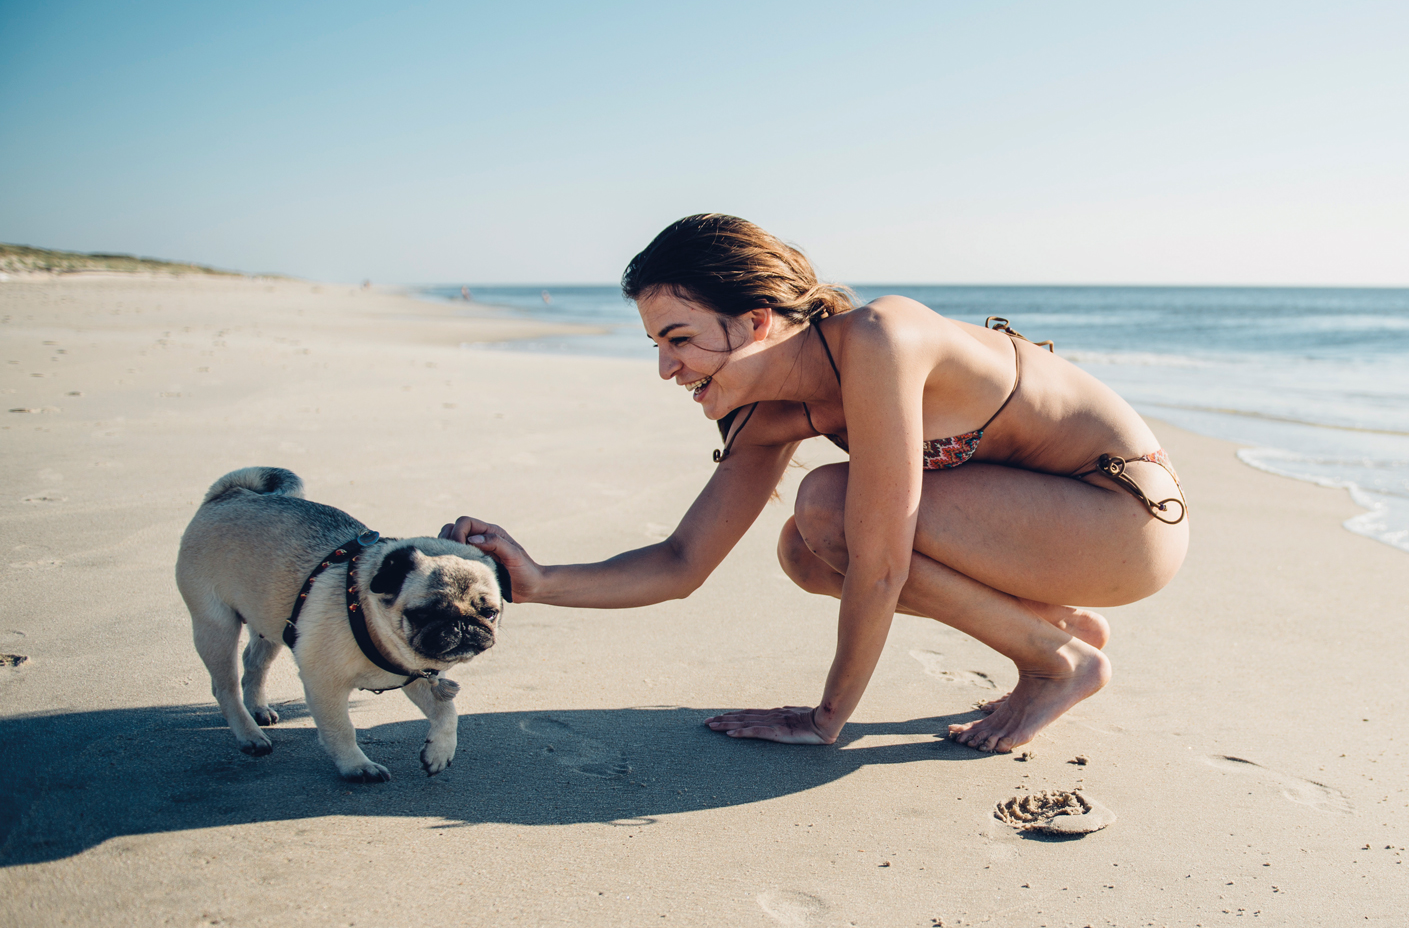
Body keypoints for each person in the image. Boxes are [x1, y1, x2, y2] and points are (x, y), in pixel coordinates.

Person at [439, 214, 1187, 752]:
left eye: (680, 339)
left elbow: (884, 560)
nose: (666, 369)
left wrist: (827, 715)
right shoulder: (765, 414)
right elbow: (680, 563)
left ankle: (1057, 663)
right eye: (656, 345)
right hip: (1045, 526)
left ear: (756, 321)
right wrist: (535, 581)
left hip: (1126, 520)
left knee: (832, 508)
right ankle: (1054, 627)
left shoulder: (880, 338)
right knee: (804, 548)